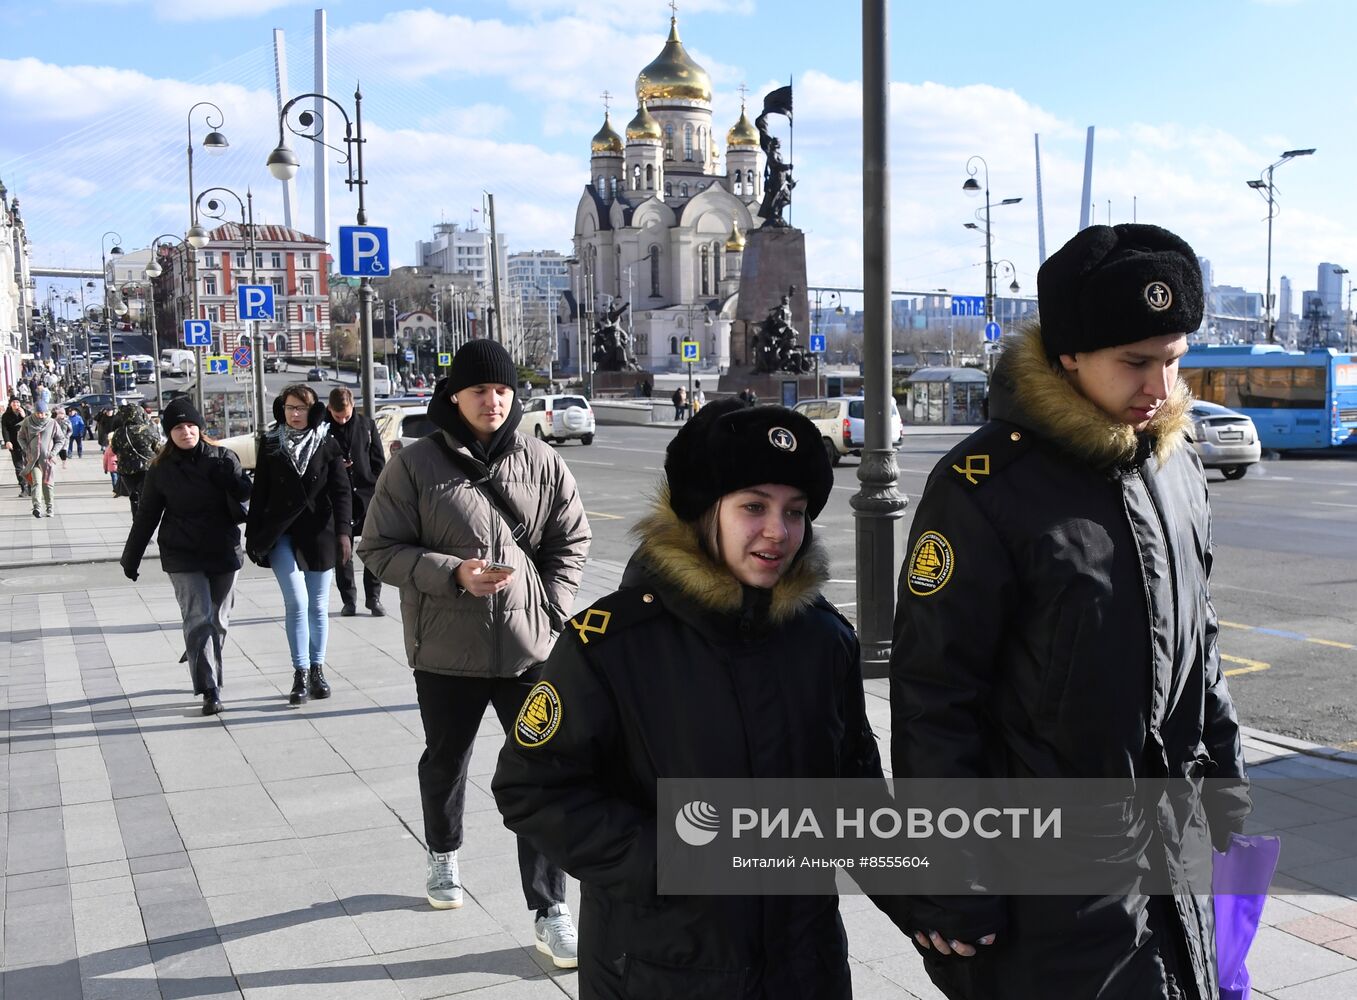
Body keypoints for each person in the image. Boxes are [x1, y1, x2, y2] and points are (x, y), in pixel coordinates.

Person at [889, 224, 1250, 1000]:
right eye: (1134, 363)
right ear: (1067, 357)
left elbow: (1201, 638)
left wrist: (1224, 786)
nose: (1158, 386)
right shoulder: (983, 488)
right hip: (1048, 878)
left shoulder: (1174, 460)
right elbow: (934, 700)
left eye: (1173, 359)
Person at [494, 398, 904, 997]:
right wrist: (670, 860)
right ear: (700, 512)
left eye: (795, 511)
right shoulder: (609, 645)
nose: (778, 532)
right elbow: (531, 789)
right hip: (664, 970)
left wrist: (938, 911)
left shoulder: (823, 639)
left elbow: (856, 793)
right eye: (753, 507)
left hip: (804, 968)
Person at [358, 339, 590, 965]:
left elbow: (572, 539)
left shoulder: (542, 459)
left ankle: (550, 908)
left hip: (527, 652)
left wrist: (551, 606)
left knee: (543, 772)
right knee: (446, 762)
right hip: (445, 652)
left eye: (503, 389)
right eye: (480, 390)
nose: (493, 400)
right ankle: (443, 853)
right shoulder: (414, 465)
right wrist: (451, 573)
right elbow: (378, 548)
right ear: (454, 396)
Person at [120, 398, 252, 715]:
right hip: (182, 553)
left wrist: (232, 480)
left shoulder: (223, 457)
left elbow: (246, 494)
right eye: (178, 427)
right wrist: (131, 557)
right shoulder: (160, 470)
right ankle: (210, 688)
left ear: (200, 428)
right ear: (169, 433)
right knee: (198, 618)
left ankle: (201, 654)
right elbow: (147, 515)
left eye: (191, 425)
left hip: (223, 549)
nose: (186, 431)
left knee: (217, 620)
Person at [246, 384, 353, 706]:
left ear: (312, 410)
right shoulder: (270, 444)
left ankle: (318, 669)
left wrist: (344, 533)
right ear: (283, 409)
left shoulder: (327, 444)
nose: (295, 414)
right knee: (296, 601)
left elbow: (341, 492)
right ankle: (300, 672)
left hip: (319, 534)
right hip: (281, 534)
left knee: (318, 606)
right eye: (290, 407)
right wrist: (253, 537)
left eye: (301, 408)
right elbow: (259, 493)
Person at [322, 386, 387, 617]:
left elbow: (379, 461)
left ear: (352, 408)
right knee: (343, 549)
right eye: (337, 416)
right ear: (329, 409)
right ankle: (348, 600)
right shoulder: (323, 428)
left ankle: (374, 597)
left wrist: (376, 483)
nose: (341, 420)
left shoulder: (366, 426)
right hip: (337, 497)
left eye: (346, 416)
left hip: (366, 495)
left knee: (374, 546)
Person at [109, 403, 163, 516]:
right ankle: (145, 515)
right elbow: (158, 449)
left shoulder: (119, 432)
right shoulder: (148, 430)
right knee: (145, 493)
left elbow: (114, 449)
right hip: (147, 468)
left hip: (126, 469)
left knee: (133, 494)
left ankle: (136, 516)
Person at [18, 396, 68, 518]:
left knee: (48, 484)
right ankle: (37, 507)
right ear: (35, 412)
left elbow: (60, 439)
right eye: (39, 413)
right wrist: (26, 449)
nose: (41, 416)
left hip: (47, 459)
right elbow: (21, 437)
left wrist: (53, 453)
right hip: (33, 459)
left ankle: (50, 507)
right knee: (36, 482)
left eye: (44, 413)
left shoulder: (52, 423)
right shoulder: (28, 422)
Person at [3, 397, 28, 497]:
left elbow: (32, 425)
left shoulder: (26, 412)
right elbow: (4, 430)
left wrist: (24, 416)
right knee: (18, 467)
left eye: (17, 402)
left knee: (29, 465)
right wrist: (7, 441)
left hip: (27, 443)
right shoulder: (6, 416)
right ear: (10, 404)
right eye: (13, 402)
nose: (16, 404)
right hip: (14, 443)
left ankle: (31, 486)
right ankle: (23, 487)